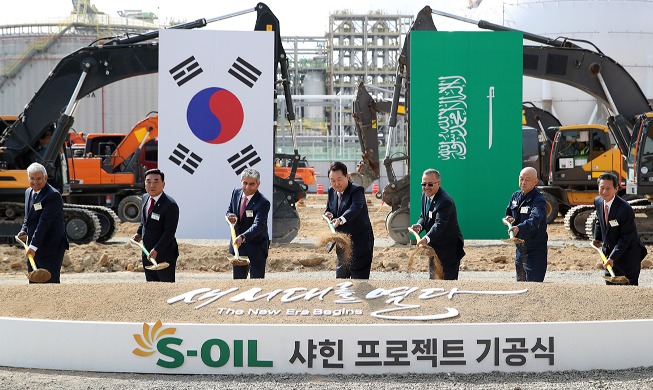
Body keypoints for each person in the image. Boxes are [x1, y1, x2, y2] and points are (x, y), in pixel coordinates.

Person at [17, 162, 69, 283]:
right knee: (34, 283)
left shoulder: (53, 195)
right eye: (32, 178)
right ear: (28, 178)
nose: (35, 182)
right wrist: (23, 230)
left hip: (50, 247)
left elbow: (44, 223)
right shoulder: (28, 192)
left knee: (49, 284)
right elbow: (28, 218)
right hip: (33, 247)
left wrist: (33, 246)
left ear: (45, 178)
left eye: (39, 178)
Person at [592, 172, 647, 285]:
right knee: (612, 291)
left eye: (608, 188)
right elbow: (599, 220)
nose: (604, 192)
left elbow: (626, 237)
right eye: (602, 188)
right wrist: (597, 238)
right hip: (609, 254)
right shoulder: (598, 201)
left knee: (628, 292)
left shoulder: (625, 209)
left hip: (628, 256)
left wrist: (613, 257)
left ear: (616, 189)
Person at [410, 168, 465, 280]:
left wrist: (426, 238)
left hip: (449, 248)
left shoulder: (445, 201)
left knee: (448, 284)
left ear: (438, 184)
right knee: (434, 281)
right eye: (423, 184)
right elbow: (424, 216)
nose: (426, 187)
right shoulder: (425, 195)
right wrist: (419, 226)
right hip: (434, 247)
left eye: (430, 184)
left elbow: (439, 224)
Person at [324, 161, 374, 279]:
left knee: (359, 281)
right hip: (342, 244)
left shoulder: (356, 190)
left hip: (360, 243)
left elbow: (355, 208)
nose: (336, 183)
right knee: (341, 280)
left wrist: (340, 219)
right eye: (333, 180)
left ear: (347, 176)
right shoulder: (331, 191)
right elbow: (328, 209)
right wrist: (328, 214)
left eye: (339, 179)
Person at [132, 169, 179, 282]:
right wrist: (138, 233)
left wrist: (157, 249)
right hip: (147, 253)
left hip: (164, 254)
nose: (152, 185)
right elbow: (144, 221)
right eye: (148, 181)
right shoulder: (144, 198)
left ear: (163, 184)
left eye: (156, 181)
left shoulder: (170, 205)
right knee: (151, 288)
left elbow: (169, 232)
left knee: (165, 288)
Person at [504, 167, 548, 282]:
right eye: (521, 179)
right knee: (521, 283)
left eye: (527, 180)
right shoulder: (515, 196)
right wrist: (509, 219)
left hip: (535, 249)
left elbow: (535, 220)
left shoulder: (539, 200)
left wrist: (519, 227)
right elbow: (509, 212)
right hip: (520, 248)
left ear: (535, 181)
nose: (523, 182)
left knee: (534, 286)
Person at [226, 168, 270, 279]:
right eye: (245, 183)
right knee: (238, 282)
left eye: (251, 184)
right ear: (241, 181)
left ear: (258, 184)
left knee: (256, 284)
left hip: (256, 248)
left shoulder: (263, 202)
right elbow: (230, 210)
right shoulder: (236, 193)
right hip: (238, 247)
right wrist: (230, 216)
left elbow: (258, 225)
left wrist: (243, 236)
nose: (247, 187)